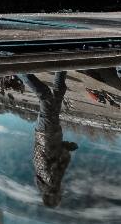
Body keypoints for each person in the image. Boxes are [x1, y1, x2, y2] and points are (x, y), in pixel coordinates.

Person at [18, 72, 78, 208]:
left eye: (59, 198)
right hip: (49, 133)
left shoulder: (52, 181)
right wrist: (66, 146)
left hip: (47, 132)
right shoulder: (43, 178)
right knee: (58, 92)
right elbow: (52, 154)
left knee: (45, 96)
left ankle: (18, 70)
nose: (61, 194)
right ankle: (61, 64)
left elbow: (60, 157)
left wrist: (67, 150)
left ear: (53, 196)